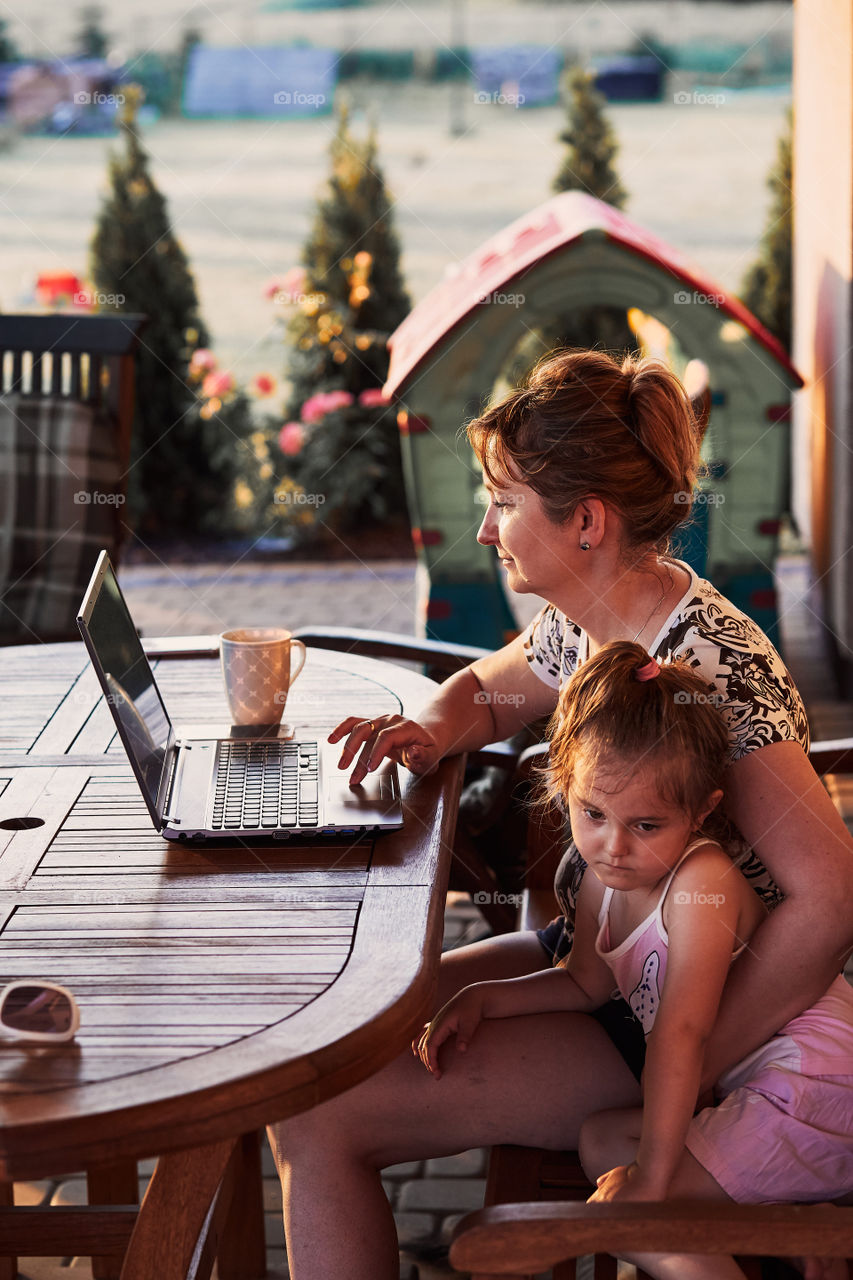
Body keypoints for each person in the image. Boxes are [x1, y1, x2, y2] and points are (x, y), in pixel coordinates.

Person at [267, 349, 853, 1280]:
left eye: (502, 502)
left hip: (693, 1016)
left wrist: (691, 1057)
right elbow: (484, 692)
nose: (485, 527)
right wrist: (421, 733)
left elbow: (830, 899)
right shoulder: (589, 617)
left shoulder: (713, 671)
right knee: (331, 1035)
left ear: (584, 521)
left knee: (320, 1111)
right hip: (595, 959)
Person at [416, 641, 853, 1280]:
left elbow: (682, 1034)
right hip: (754, 1097)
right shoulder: (603, 880)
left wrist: (653, 1180)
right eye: (593, 814)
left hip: (813, 1095)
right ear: (563, 782)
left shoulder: (701, 884)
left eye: (646, 826)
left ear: (702, 810)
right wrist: (485, 996)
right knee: (602, 1142)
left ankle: (792, 1225)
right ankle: (798, 1227)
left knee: (635, 1209)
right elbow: (584, 983)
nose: (614, 847)